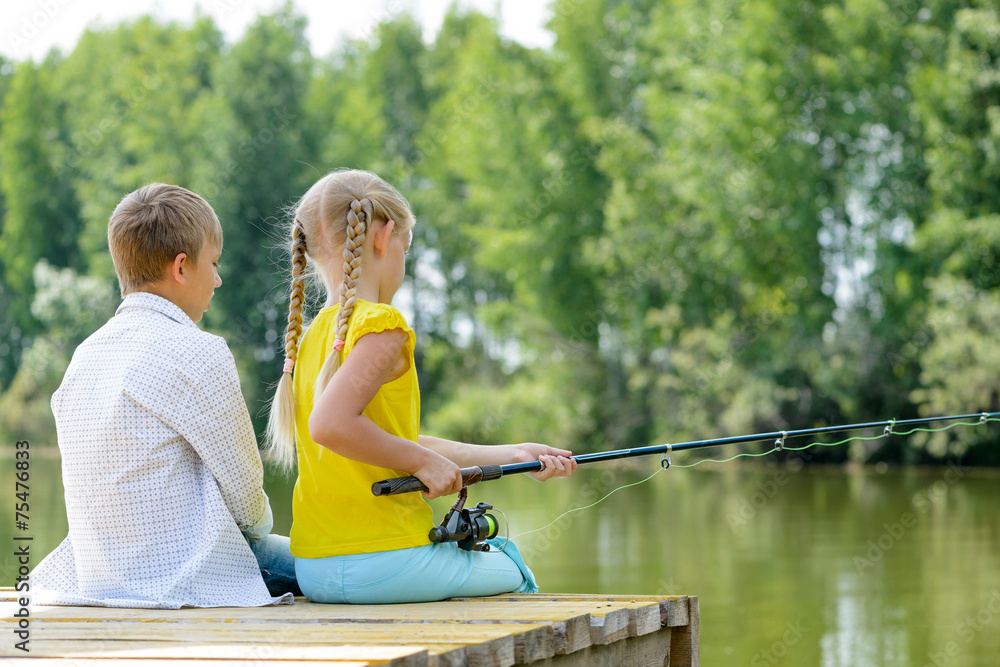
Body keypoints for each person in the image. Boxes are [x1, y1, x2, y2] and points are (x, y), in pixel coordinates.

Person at [265, 169, 578, 604]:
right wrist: (421, 462)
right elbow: (330, 425)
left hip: (315, 569)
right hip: (387, 563)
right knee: (512, 562)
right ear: (383, 235)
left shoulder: (313, 336)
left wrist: (512, 455)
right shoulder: (382, 325)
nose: (405, 264)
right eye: (405, 248)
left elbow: (386, 441)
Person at [32, 184, 299, 608]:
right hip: (187, 576)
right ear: (180, 268)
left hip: (99, 578)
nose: (218, 279)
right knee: (333, 564)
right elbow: (247, 500)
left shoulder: (83, 357)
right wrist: (259, 528)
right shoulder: (199, 351)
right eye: (212, 263)